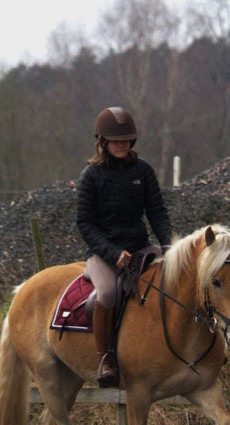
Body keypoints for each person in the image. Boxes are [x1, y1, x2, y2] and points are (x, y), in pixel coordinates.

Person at [76, 106, 173, 387]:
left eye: (126, 140)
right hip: (103, 255)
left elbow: (157, 212)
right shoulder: (90, 176)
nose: (122, 145)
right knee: (106, 294)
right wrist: (112, 252)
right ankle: (106, 357)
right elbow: (85, 224)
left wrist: (168, 246)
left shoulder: (143, 171)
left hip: (141, 247)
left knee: (177, 276)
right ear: (102, 141)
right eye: (116, 140)